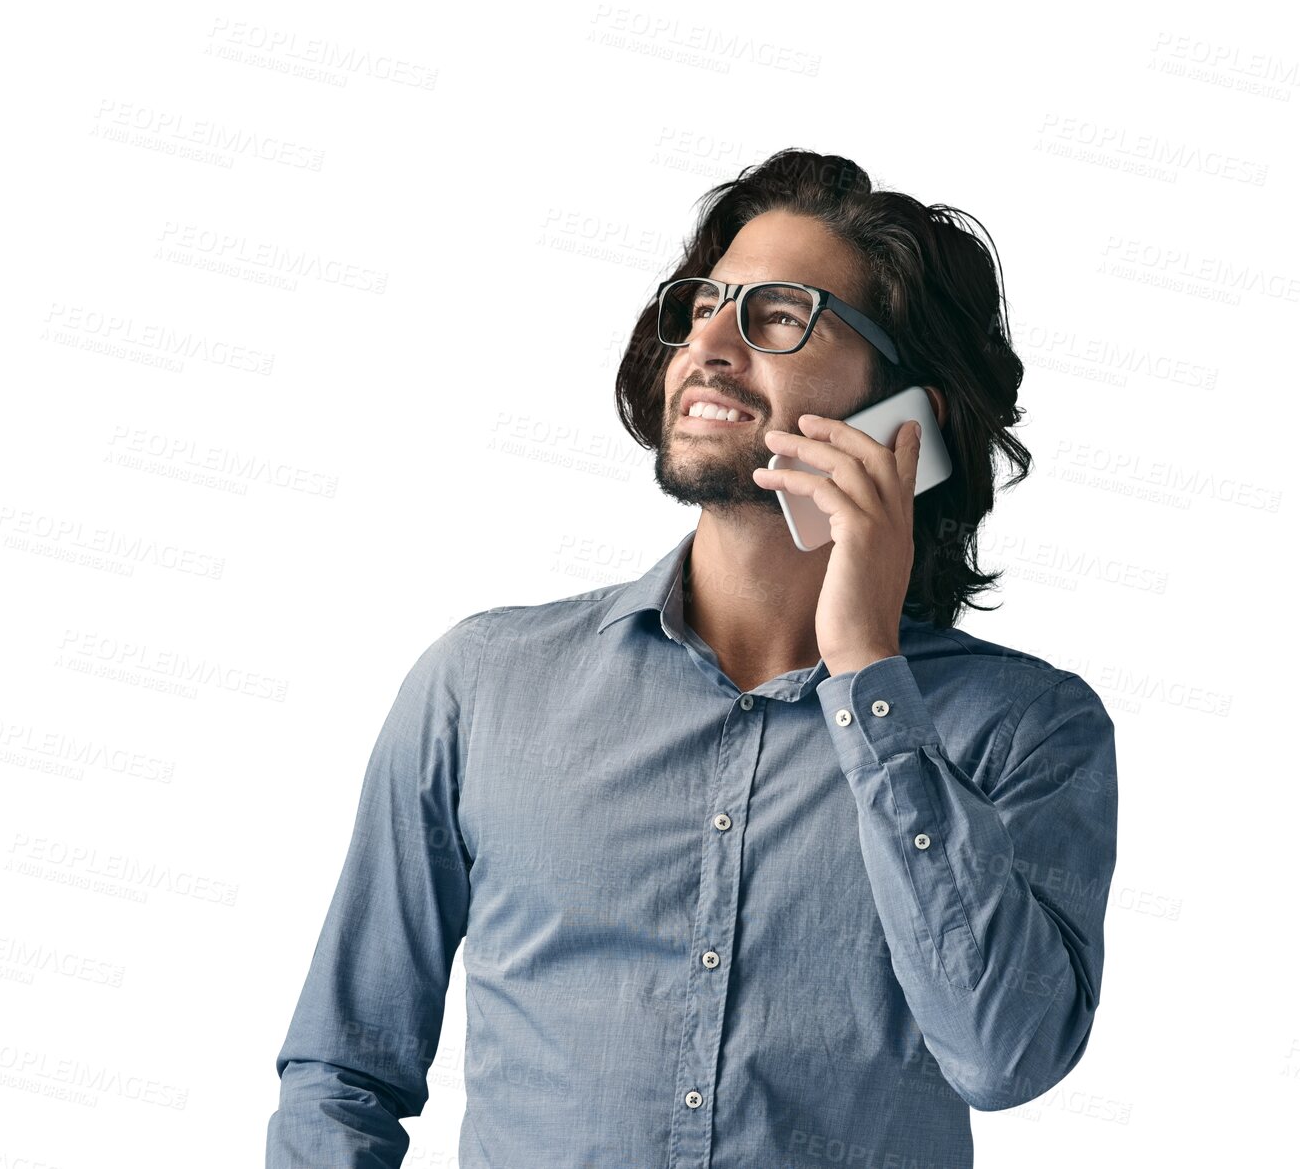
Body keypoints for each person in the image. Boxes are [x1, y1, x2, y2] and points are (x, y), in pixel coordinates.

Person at [265, 149, 1119, 1169]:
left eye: (776, 316)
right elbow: (344, 1071)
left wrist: (865, 670)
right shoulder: (481, 685)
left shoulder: (1024, 727)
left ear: (908, 421)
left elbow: (1006, 1056)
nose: (708, 343)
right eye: (701, 304)